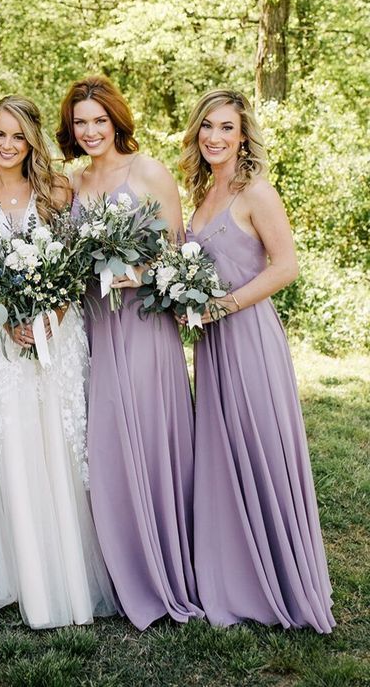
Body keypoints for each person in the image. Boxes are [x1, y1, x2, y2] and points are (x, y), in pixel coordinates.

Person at [181, 88, 334, 632]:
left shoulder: (256, 192)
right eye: (207, 127)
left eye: (226, 128)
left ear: (243, 135)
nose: (215, 137)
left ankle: (281, 577)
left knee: (259, 447)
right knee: (223, 452)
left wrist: (221, 305)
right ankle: (232, 573)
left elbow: (285, 266)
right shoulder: (201, 193)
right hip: (213, 345)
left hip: (247, 337)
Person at [0, 95, 115, 629]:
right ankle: (18, 574)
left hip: (57, 333)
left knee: (56, 444)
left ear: (33, 142)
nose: (7, 145)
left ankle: (66, 572)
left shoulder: (57, 191)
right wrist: (8, 320)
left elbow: (72, 266)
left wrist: (50, 316)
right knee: (10, 442)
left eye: (18, 136)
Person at [57, 75, 203, 629]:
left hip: (143, 326)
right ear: (70, 129)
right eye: (81, 123)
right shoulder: (72, 182)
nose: (91, 131)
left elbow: (177, 255)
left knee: (146, 436)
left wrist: (134, 273)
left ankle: (164, 565)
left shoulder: (148, 172)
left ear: (118, 121)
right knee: (106, 444)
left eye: (100, 121)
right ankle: (119, 568)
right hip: (95, 328)